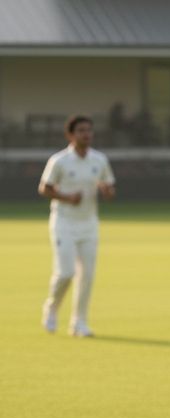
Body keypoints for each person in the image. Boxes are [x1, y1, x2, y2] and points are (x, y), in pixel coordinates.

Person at [39, 115, 115, 337]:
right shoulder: (59, 161)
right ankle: (51, 307)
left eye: (89, 130)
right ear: (70, 135)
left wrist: (106, 191)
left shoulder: (99, 160)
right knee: (66, 273)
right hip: (64, 222)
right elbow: (45, 188)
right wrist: (66, 197)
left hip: (89, 224)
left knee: (87, 275)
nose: (86, 134)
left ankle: (79, 322)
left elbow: (110, 190)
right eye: (81, 130)